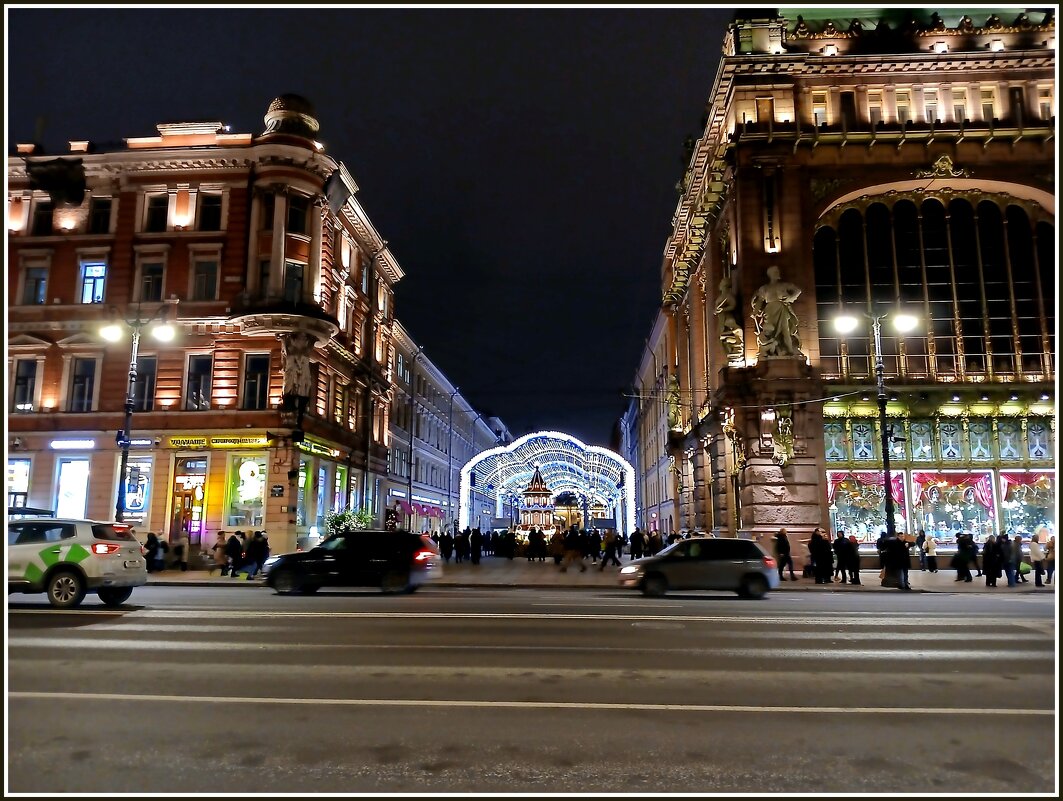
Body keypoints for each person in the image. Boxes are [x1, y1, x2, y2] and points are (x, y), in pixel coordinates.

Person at [750, 264, 803, 358]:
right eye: (775, 272)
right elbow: (760, 301)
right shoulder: (765, 288)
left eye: (777, 272)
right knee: (770, 331)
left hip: (782, 309)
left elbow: (798, 290)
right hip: (770, 311)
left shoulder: (784, 285)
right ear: (770, 274)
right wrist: (755, 312)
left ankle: (789, 350)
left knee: (785, 331)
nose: (777, 273)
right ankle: (772, 350)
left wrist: (790, 298)